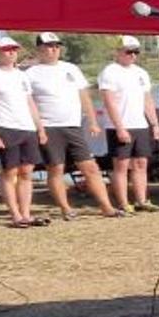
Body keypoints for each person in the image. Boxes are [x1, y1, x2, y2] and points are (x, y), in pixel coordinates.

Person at [26, 33, 123, 220]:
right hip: (49, 126)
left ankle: (107, 206)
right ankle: (66, 208)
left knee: (90, 167)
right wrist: (39, 129)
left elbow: (84, 96)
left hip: (73, 125)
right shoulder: (31, 73)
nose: (54, 49)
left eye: (56, 46)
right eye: (49, 46)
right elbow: (28, 102)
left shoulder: (70, 68)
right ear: (39, 48)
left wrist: (93, 121)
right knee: (56, 169)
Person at [0, 37, 44, 228]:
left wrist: (39, 127)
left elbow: (30, 102)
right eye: (6, 49)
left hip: (27, 128)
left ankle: (26, 213)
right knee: (10, 172)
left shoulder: (22, 75)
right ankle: (15, 215)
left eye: (14, 49)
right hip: (6, 127)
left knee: (27, 172)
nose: (11, 52)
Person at [97, 35, 159, 215]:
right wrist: (119, 128)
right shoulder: (110, 72)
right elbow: (109, 102)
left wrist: (155, 124)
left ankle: (142, 200)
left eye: (136, 52)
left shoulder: (141, 73)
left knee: (141, 163)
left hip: (140, 125)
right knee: (121, 165)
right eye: (129, 51)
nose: (133, 55)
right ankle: (123, 202)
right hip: (119, 125)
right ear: (118, 52)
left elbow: (147, 100)